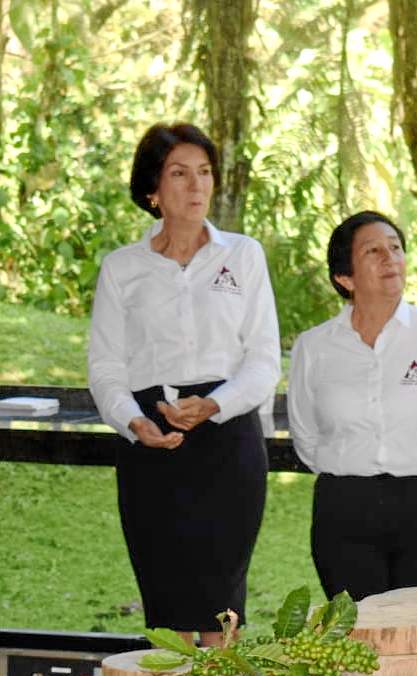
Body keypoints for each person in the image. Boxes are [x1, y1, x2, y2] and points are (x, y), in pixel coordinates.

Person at [88, 123, 280, 645]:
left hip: (228, 438)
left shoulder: (243, 255)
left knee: (223, 608)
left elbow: (264, 362)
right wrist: (135, 423)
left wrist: (214, 405)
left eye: (204, 173)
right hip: (151, 443)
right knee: (167, 609)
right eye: (179, 174)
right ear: (153, 189)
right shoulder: (121, 268)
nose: (197, 187)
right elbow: (105, 369)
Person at [288, 211, 417, 601]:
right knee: (360, 636)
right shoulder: (314, 346)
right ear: (345, 277)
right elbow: (306, 433)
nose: (391, 258)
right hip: (346, 511)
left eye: (396, 248)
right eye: (374, 251)